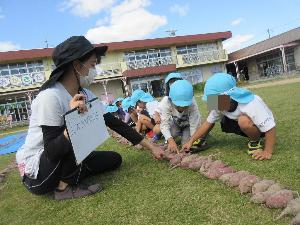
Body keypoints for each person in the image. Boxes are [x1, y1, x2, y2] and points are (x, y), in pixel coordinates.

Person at [16, 36, 164, 200]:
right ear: (77, 66)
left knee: (114, 160)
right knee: (79, 126)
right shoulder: (50, 97)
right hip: (38, 171)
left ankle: (74, 171)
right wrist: (73, 118)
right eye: (93, 65)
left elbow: (116, 124)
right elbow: (51, 151)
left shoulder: (86, 94)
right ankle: (62, 188)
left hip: (66, 157)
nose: (95, 71)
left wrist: (152, 148)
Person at [182, 73, 276, 160]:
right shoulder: (221, 103)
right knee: (214, 114)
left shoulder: (251, 103)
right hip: (240, 125)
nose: (212, 101)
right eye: (211, 99)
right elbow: (207, 123)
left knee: (243, 120)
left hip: (260, 128)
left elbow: (270, 127)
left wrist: (267, 151)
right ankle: (201, 141)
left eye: (214, 98)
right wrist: (191, 141)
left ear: (229, 96)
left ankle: (255, 141)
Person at [159, 79, 201, 153]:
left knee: (185, 144)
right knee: (171, 135)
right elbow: (164, 124)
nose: (181, 108)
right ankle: (173, 139)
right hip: (176, 123)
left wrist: (192, 140)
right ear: (171, 99)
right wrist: (170, 140)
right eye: (178, 105)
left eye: (185, 105)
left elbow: (194, 124)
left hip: (188, 125)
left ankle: (201, 135)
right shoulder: (166, 102)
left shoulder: (192, 103)